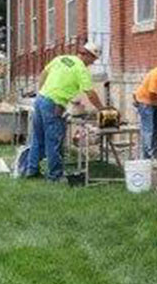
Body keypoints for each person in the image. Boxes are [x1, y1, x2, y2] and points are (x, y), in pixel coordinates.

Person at [21, 42, 107, 181]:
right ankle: (55, 176)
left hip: (40, 100)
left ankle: (31, 170)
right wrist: (102, 109)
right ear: (87, 55)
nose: (92, 63)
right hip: (54, 104)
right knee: (53, 140)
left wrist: (42, 92)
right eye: (93, 60)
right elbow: (90, 94)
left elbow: (44, 73)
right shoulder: (81, 69)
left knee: (37, 138)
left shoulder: (61, 58)